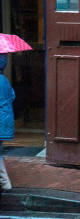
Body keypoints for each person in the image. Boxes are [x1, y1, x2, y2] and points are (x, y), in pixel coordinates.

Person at [0, 54, 15, 193]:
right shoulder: (4, 80)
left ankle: (5, 183)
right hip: (5, 122)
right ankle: (5, 183)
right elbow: (12, 95)